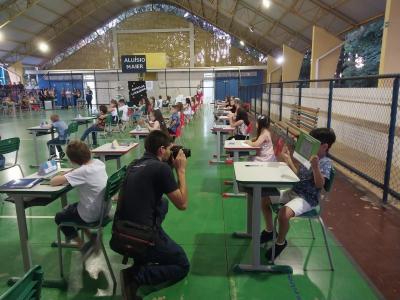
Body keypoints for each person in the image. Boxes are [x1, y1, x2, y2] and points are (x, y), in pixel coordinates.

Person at [117, 130, 189, 299]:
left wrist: (170, 165)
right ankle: (136, 277)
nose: (173, 153)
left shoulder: (135, 164)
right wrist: (181, 171)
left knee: (162, 204)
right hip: (140, 234)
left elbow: (154, 182)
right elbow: (182, 204)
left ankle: (141, 255)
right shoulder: (161, 169)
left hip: (121, 230)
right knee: (182, 265)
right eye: (171, 149)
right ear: (161, 150)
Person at [261, 128, 336, 260]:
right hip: (294, 191)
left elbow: (320, 184)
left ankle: (280, 242)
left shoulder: (325, 162)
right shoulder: (309, 158)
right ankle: (270, 230)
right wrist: (289, 160)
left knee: (283, 214)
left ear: (324, 146)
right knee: (265, 198)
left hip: (307, 199)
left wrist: (315, 167)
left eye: (314, 145)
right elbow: (298, 176)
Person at [51, 140, 108, 259]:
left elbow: (54, 181)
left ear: (72, 161)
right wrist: (74, 172)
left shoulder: (82, 171)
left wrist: (71, 172)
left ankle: (82, 245)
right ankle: (91, 238)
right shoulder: (98, 163)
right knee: (71, 209)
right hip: (103, 210)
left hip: (91, 214)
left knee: (60, 217)